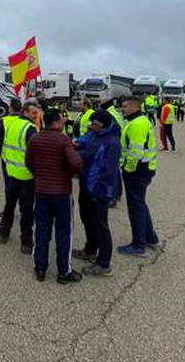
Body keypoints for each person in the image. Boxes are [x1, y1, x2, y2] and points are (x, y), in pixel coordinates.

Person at [26, 108, 84, 284]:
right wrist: (76, 166)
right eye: (62, 119)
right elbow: (76, 164)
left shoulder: (35, 138)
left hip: (42, 191)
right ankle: (63, 271)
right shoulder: (64, 140)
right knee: (64, 232)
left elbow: (28, 162)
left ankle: (40, 267)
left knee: (42, 230)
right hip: (61, 193)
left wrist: (40, 175)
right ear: (57, 121)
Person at [73, 110, 121, 277]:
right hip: (86, 185)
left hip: (99, 190)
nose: (92, 126)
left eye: (95, 124)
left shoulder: (112, 143)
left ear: (104, 125)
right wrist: (74, 145)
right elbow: (81, 142)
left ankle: (104, 263)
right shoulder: (93, 134)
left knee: (100, 224)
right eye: (91, 123)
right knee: (87, 219)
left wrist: (100, 192)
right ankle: (90, 249)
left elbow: (109, 172)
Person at [117, 96, 159, 257]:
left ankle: (138, 245)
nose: (123, 109)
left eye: (126, 106)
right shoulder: (138, 121)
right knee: (140, 203)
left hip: (137, 171)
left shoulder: (137, 124)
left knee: (135, 207)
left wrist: (126, 169)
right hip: (143, 169)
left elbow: (135, 152)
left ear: (135, 107)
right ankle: (150, 238)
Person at [0, 101, 38, 251]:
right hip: (26, 176)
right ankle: (26, 242)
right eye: (33, 113)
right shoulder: (30, 129)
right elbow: (34, 155)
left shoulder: (11, 124)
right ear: (25, 112)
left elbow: (2, 144)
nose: (36, 116)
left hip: (11, 172)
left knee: (9, 205)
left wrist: (5, 160)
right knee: (26, 211)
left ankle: (3, 232)